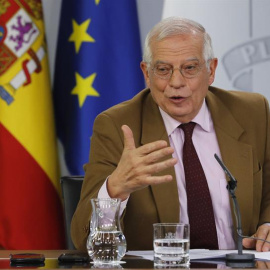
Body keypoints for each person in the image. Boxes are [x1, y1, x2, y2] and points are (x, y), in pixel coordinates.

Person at [71, 17, 270, 252]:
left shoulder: (253, 112)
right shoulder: (117, 126)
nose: (176, 82)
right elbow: (82, 240)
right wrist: (115, 189)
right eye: (163, 70)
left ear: (211, 70)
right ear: (147, 73)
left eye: (190, 68)